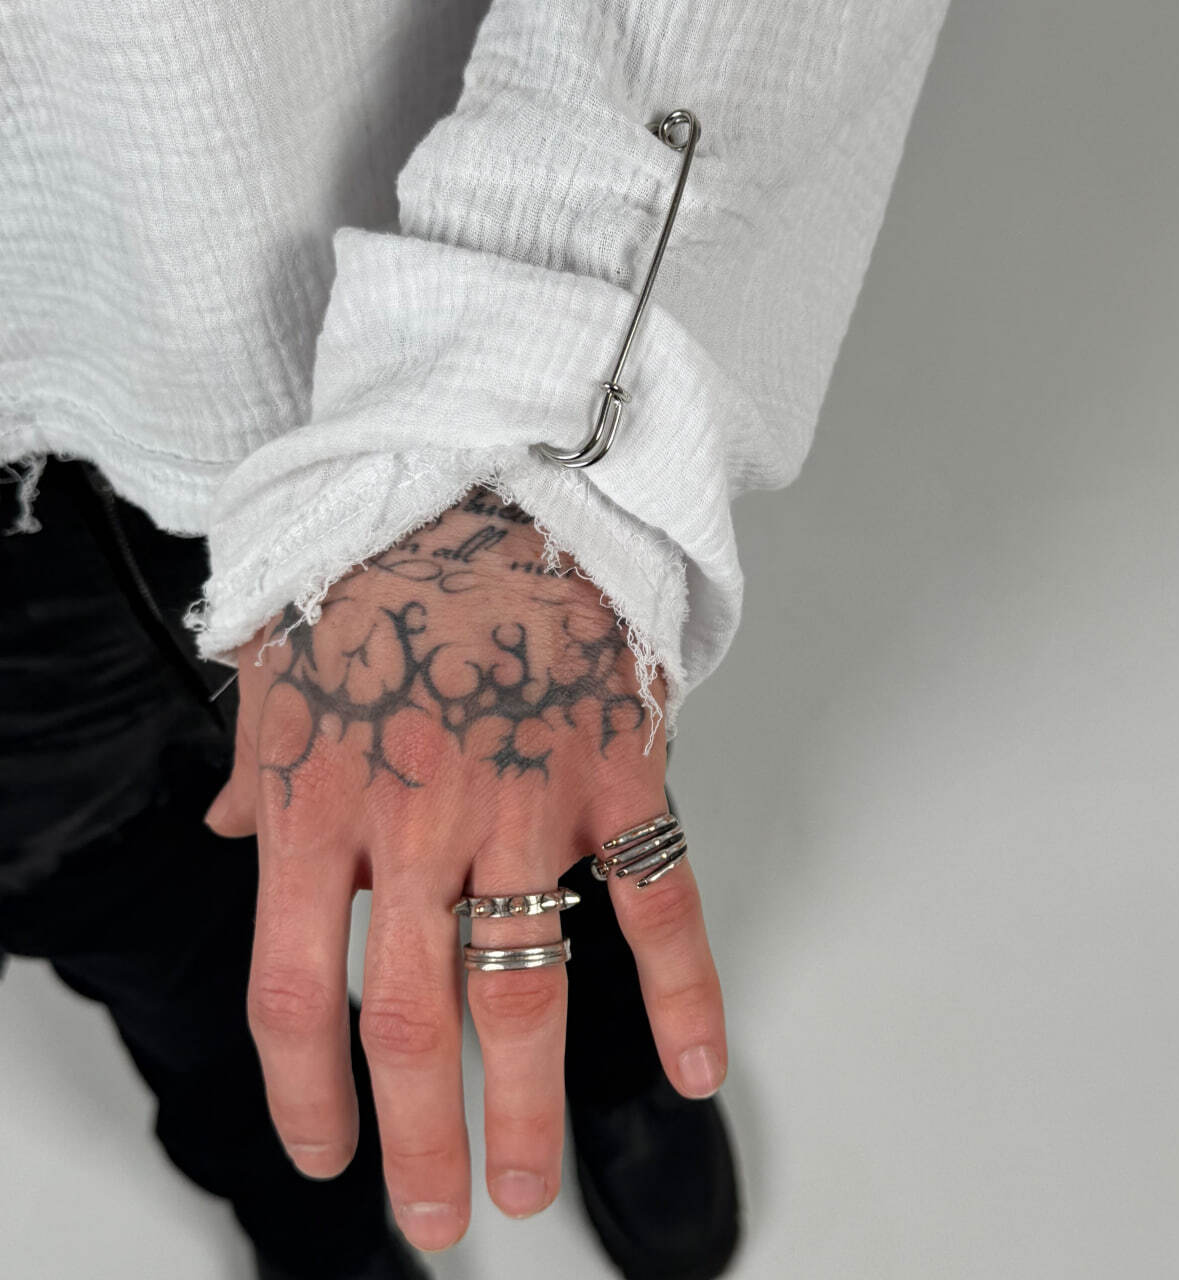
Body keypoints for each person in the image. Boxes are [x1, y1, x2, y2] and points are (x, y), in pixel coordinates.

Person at [0, 1, 952, 1276]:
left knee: (524, 779)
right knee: (127, 918)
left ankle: (602, 1038)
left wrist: (534, 387)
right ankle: (299, 1193)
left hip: (327, 302)